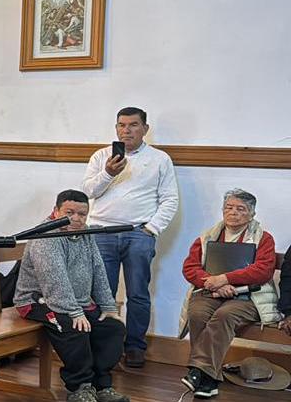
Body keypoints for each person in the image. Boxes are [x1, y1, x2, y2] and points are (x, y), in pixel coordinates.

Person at [81, 106, 179, 367]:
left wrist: (151, 229)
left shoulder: (160, 159)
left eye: (133, 125)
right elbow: (88, 191)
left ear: (145, 129)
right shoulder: (102, 156)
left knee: (138, 293)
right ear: (116, 129)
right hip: (101, 232)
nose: (127, 130)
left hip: (138, 233)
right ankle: (102, 346)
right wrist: (108, 173)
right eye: (122, 125)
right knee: (102, 293)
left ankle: (135, 346)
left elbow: (170, 199)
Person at [14, 190, 129, 402]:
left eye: (82, 214)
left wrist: (108, 307)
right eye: (70, 212)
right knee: (73, 327)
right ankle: (80, 387)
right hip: (38, 300)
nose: (76, 218)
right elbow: (54, 279)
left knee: (113, 328)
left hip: (75, 302)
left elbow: (98, 269)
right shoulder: (46, 236)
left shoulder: (85, 233)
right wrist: (75, 312)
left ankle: (101, 385)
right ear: (56, 211)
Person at [179, 189, 277, 399]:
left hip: (249, 296)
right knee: (197, 313)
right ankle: (208, 378)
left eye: (240, 209)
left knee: (224, 316)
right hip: (211, 291)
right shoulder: (207, 236)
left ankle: (200, 374)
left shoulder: (264, 238)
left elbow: (263, 270)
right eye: (228, 207)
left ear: (251, 214)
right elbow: (190, 267)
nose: (233, 212)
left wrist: (225, 278)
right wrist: (214, 283)